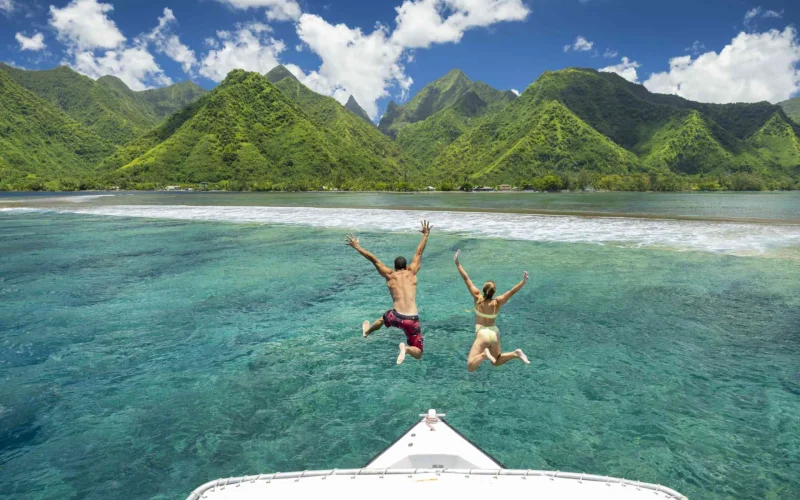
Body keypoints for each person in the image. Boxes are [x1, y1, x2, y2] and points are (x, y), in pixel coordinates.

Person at [346, 220, 432, 365]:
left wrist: (357, 247)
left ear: (394, 266)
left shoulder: (390, 276)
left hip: (396, 316)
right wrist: (426, 235)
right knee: (419, 353)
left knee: (382, 319)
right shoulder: (412, 273)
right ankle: (407, 349)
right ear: (406, 266)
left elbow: (374, 260)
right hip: (411, 319)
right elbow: (418, 253)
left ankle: (367, 332)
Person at [454, 249, 530, 372]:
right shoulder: (497, 302)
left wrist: (457, 263)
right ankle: (515, 354)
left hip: (482, 333)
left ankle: (484, 355)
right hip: (494, 333)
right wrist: (523, 281)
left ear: (484, 290)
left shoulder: (477, 297)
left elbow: (466, 279)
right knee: (496, 361)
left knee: (470, 366)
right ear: (494, 292)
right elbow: (512, 292)